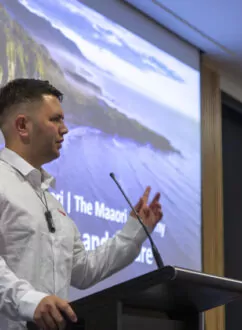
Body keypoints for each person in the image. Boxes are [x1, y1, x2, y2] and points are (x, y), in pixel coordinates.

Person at [0, 78, 163, 330]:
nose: (65, 129)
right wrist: (31, 302)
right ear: (23, 126)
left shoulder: (51, 201)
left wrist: (135, 231)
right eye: (55, 119)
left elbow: (83, 271)